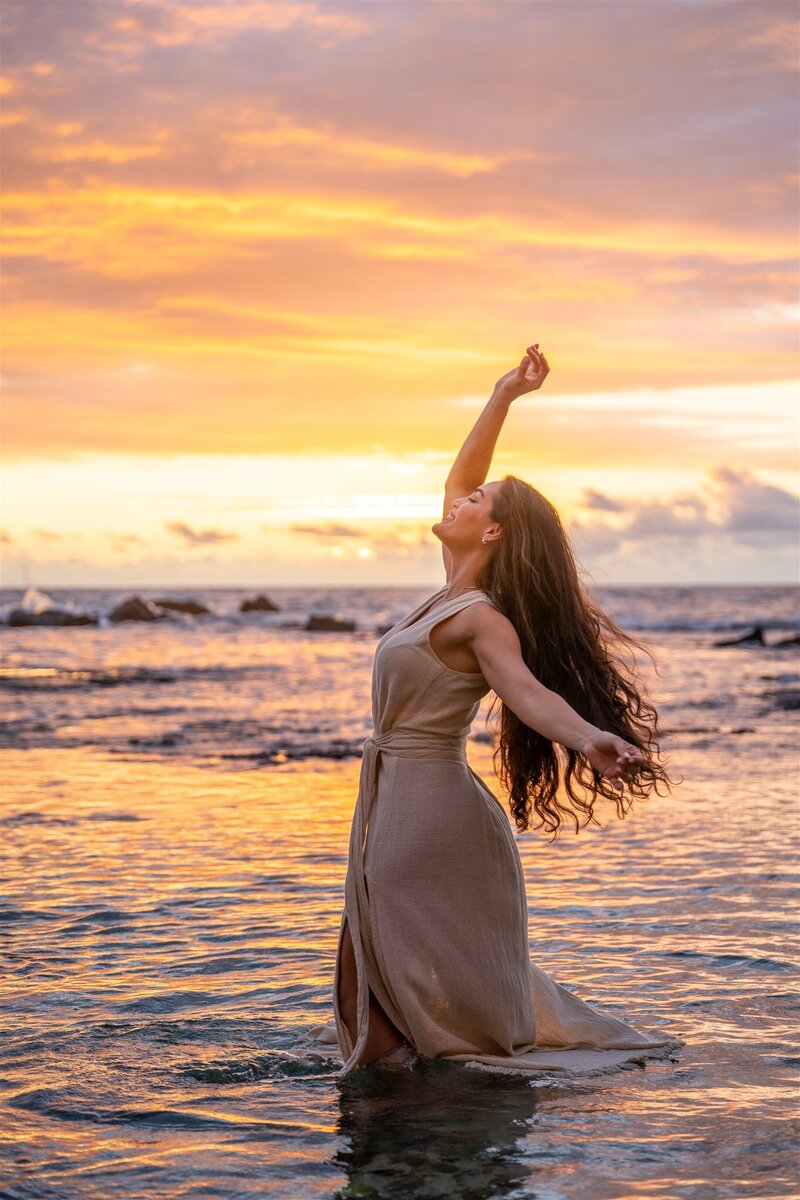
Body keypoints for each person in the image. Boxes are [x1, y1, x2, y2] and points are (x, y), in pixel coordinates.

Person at [309, 344, 679, 1077]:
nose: (459, 501)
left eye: (477, 504)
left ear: (495, 532)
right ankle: (384, 1100)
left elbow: (528, 693)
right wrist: (505, 394)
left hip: (429, 803)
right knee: (361, 949)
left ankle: (393, 1125)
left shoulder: (482, 617)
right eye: (467, 497)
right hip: (391, 793)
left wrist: (589, 738)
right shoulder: (450, 588)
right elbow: (461, 476)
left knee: (383, 946)